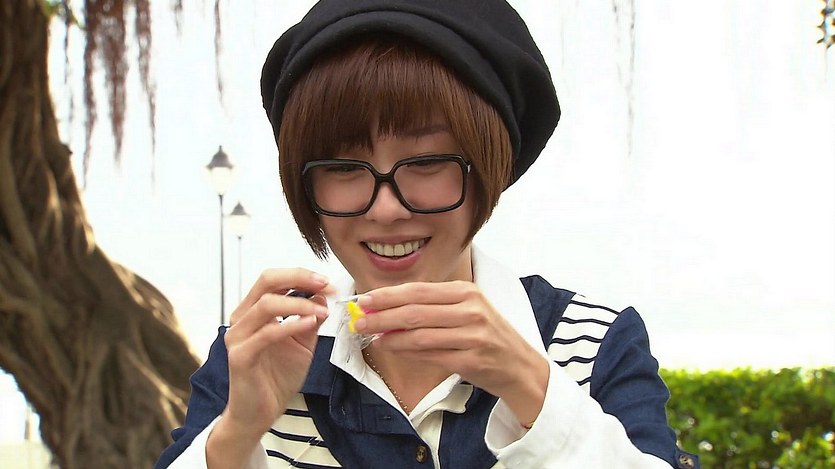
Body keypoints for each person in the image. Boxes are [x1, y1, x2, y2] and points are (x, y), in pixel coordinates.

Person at [156, 1, 699, 468]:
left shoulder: (592, 345)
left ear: (489, 165)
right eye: (343, 168)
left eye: (426, 163)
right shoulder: (256, 356)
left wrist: (532, 389)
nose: (386, 209)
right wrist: (237, 433)